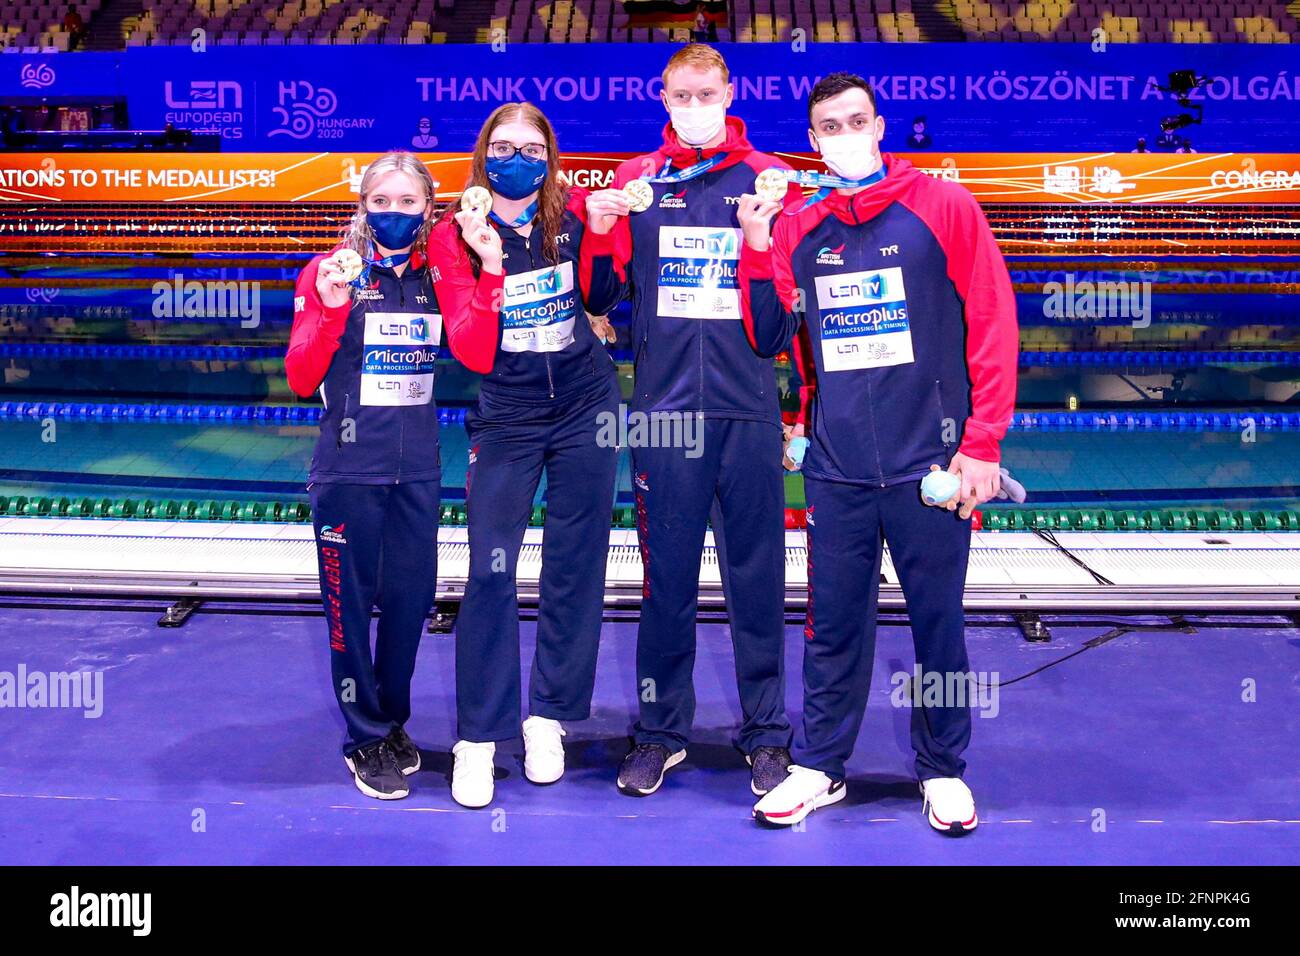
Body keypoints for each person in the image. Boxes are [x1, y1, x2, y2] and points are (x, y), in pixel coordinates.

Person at [736, 72, 1018, 831]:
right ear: (815, 140)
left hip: (933, 463)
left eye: (855, 119)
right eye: (829, 125)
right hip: (837, 466)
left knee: (939, 622)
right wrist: (757, 249)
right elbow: (767, 334)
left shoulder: (944, 206)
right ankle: (822, 764)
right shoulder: (800, 224)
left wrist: (981, 444)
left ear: (879, 123)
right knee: (832, 623)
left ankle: (944, 769)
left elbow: (992, 322)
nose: (844, 133)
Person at [582, 44, 804, 800]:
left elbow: (778, 330)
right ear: (663, 97)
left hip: (746, 412)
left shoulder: (769, 182)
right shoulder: (636, 181)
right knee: (663, 582)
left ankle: (768, 734)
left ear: (730, 91)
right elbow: (602, 293)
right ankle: (659, 732)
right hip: (663, 416)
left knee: (758, 580)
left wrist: (759, 240)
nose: (694, 103)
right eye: (680, 93)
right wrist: (601, 226)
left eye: (705, 91)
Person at [428, 102, 623, 809]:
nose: (519, 159)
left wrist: (601, 235)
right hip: (506, 414)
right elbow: (474, 349)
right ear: (484, 155)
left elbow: (606, 295)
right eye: (504, 147)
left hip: (585, 404)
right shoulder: (452, 235)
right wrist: (485, 263)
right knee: (492, 568)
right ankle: (478, 736)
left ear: (550, 156)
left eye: (533, 148)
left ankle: (548, 717)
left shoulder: (568, 218)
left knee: (577, 562)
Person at [286, 151, 497, 800]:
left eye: (408, 203)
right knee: (349, 609)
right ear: (363, 205)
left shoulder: (438, 277)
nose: (394, 213)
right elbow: (300, 378)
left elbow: (479, 352)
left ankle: (391, 721)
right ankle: (363, 736)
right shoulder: (329, 271)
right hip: (349, 470)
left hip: (417, 472)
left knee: (409, 606)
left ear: (427, 209)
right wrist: (326, 308)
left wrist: (487, 272)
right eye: (383, 201)